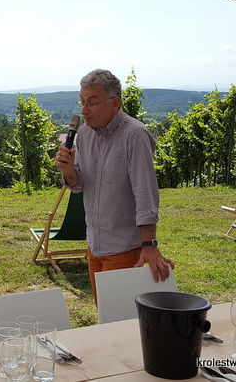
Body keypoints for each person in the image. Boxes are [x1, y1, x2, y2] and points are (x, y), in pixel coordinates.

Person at [54, 69, 174, 305]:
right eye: (82, 102)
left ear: (114, 103)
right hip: (94, 244)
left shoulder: (135, 134)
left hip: (125, 248)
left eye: (92, 102)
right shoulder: (84, 134)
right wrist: (68, 171)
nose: (84, 110)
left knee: (122, 318)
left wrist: (149, 244)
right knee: (104, 313)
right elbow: (79, 185)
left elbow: (145, 193)